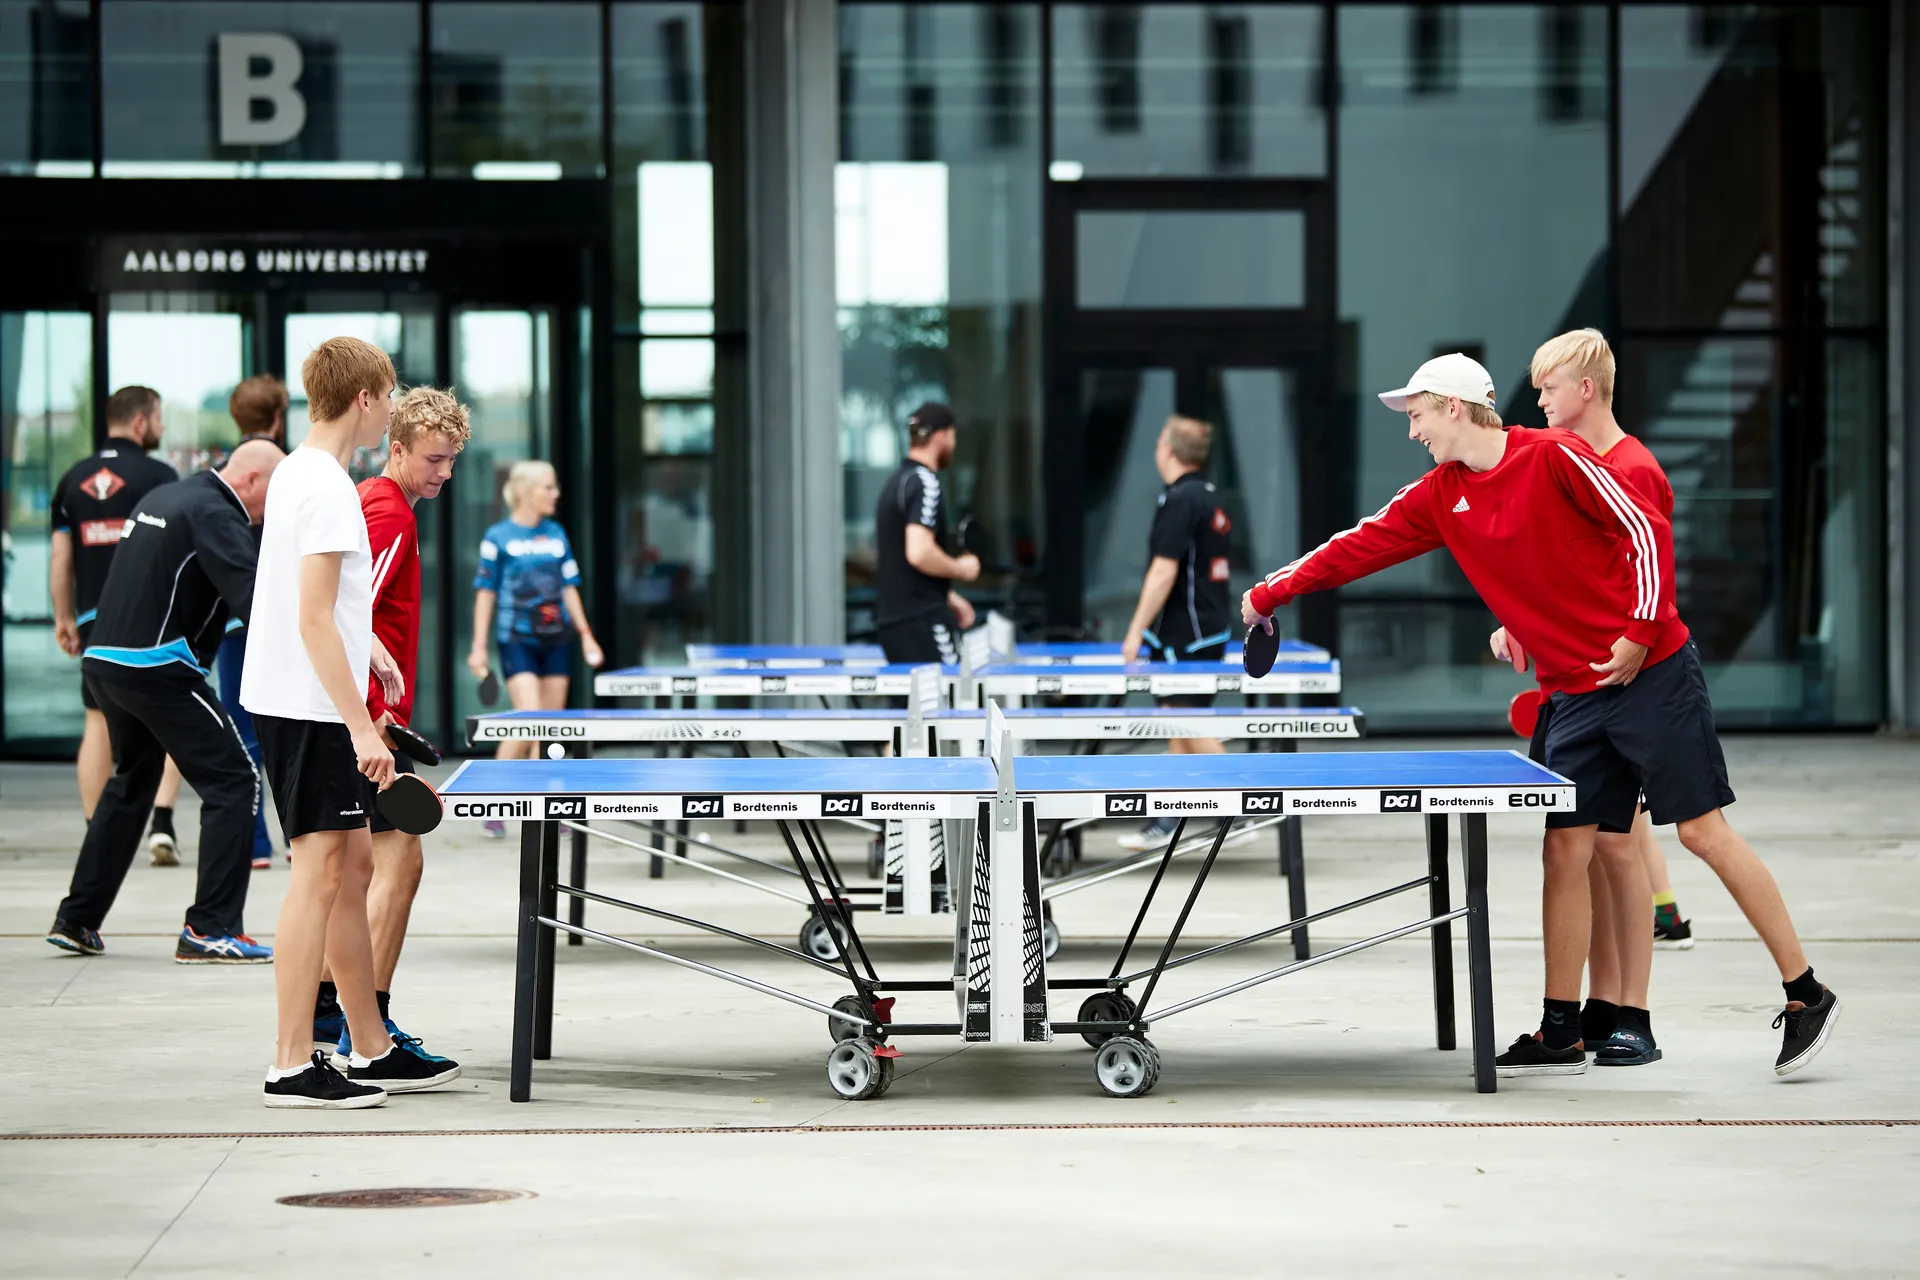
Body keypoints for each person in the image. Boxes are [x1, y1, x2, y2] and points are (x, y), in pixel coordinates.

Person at [1242, 351, 1839, 1079]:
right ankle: (1562, 1030)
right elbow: (1358, 546)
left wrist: (1641, 630)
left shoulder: (1555, 456)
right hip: (1573, 695)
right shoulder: (1438, 495)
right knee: (1565, 851)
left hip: (1652, 674)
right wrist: (1269, 594)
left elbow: (1646, 529)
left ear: (1455, 407)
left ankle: (1806, 992)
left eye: (1418, 415)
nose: (1413, 431)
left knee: (1700, 834)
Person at [246, 336, 451, 1109]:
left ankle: (370, 1046)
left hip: (299, 697)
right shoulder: (331, 487)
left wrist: (372, 648)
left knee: (356, 867)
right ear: (364, 399)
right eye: (388, 395)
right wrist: (363, 726)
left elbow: (318, 601)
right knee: (321, 876)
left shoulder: (298, 471)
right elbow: (311, 619)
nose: (391, 409)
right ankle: (290, 1063)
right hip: (311, 707)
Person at [1493, 329, 1692, 1060]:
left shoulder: (1631, 467)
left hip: (1625, 685)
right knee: (1589, 851)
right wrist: (1518, 622)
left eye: (1548, 386)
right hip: (1572, 690)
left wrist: (1637, 640)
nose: (1539, 399)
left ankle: (1631, 1013)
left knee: (1618, 849)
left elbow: (1648, 571)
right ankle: (1594, 1012)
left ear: (1586, 388)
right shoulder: (1562, 462)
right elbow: (1562, 568)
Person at [44, 440, 283, 962]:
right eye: (277, 491)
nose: (277, 507)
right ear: (251, 481)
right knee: (236, 778)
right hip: (156, 668)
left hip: (106, 661)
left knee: (132, 783)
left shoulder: (168, 496)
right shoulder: (217, 513)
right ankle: (210, 928)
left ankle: (77, 918)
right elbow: (259, 603)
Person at [310, 386, 469, 1075]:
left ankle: (328, 1005)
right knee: (399, 861)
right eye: (434, 459)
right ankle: (365, 1028)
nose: (445, 473)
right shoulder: (389, 511)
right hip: (364, 723)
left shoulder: (381, 502)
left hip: (367, 719)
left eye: (452, 460)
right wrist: (372, 719)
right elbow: (348, 617)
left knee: (354, 871)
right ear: (396, 449)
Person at [49, 385, 182, 864]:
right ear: (141, 422)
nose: (161, 427)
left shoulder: (72, 479)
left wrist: (65, 616)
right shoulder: (159, 476)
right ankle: (161, 823)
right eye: (159, 418)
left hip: (95, 620)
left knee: (97, 721)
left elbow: (61, 555)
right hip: (152, 617)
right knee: (172, 718)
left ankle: (96, 834)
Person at [465, 459, 603, 839]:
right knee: (529, 719)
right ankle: (493, 801)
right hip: (517, 639)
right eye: (548, 487)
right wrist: (478, 646)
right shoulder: (497, 537)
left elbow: (569, 588)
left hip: (557, 640)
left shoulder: (556, 534)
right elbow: (485, 593)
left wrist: (586, 634)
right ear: (525, 491)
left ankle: (549, 808)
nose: (555, 493)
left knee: (550, 727)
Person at [1115, 415, 1233, 851]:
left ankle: (1239, 806)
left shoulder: (1182, 499)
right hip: (1203, 629)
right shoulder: (1208, 495)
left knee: (1185, 720)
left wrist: (1135, 631)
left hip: (1188, 634)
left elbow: (1163, 571)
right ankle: (1168, 818)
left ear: (1167, 451)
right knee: (1177, 721)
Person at [872, 402, 979, 664]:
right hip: (922, 621)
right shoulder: (924, 482)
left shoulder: (896, 483)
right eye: (953, 436)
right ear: (941, 436)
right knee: (952, 689)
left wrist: (946, 595)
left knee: (916, 693)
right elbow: (919, 552)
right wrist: (961, 569)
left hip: (894, 623)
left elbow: (899, 558)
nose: (954, 444)